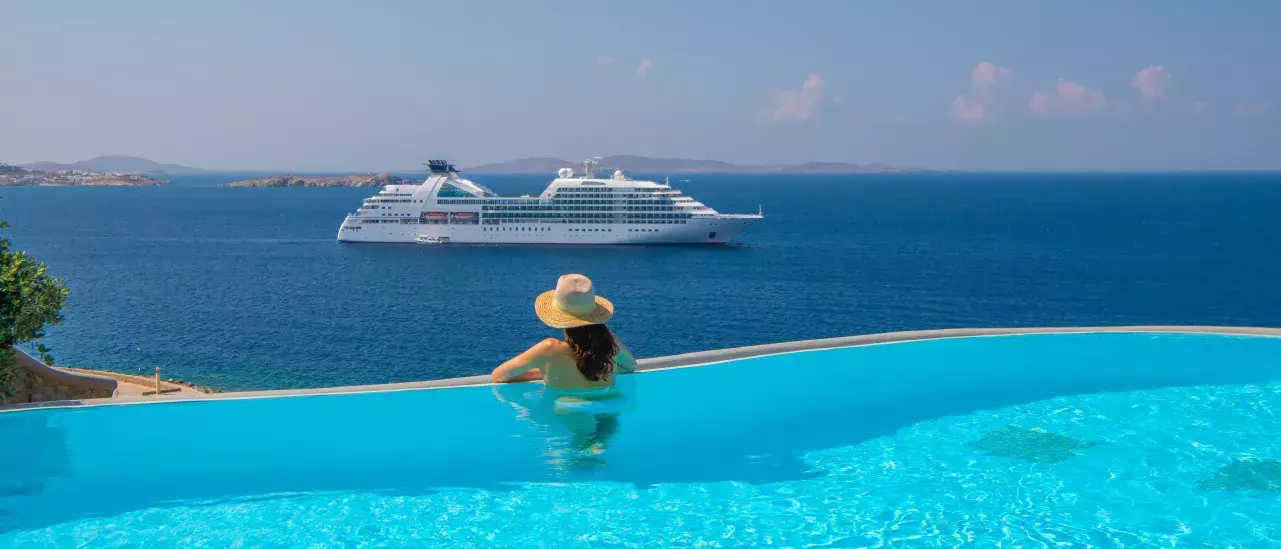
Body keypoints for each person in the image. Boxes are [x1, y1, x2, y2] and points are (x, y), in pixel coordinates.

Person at [491, 273, 637, 389]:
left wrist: (546, 371)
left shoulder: (549, 348)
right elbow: (630, 366)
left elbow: (498, 376)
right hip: (609, 406)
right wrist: (598, 368)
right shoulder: (608, 343)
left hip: (567, 409)